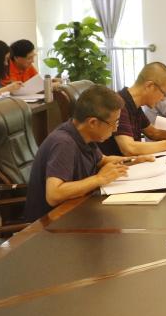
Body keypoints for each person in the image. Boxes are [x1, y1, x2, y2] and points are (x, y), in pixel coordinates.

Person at [22, 85, 153, 222]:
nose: (115, 129)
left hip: (76, 212)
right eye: (114, 123)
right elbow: (54, 194)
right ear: (93, 122)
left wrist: (133, 160)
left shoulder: (84, 134)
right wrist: (99, 179)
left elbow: (102, 160)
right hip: (50, 225)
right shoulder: (63, 143)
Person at [100, 62, 166, 157]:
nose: (163, 98)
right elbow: (129, 148)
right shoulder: (119, 104)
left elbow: (154, 133)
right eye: (164, 93)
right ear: (150, 86)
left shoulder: (135, 105)